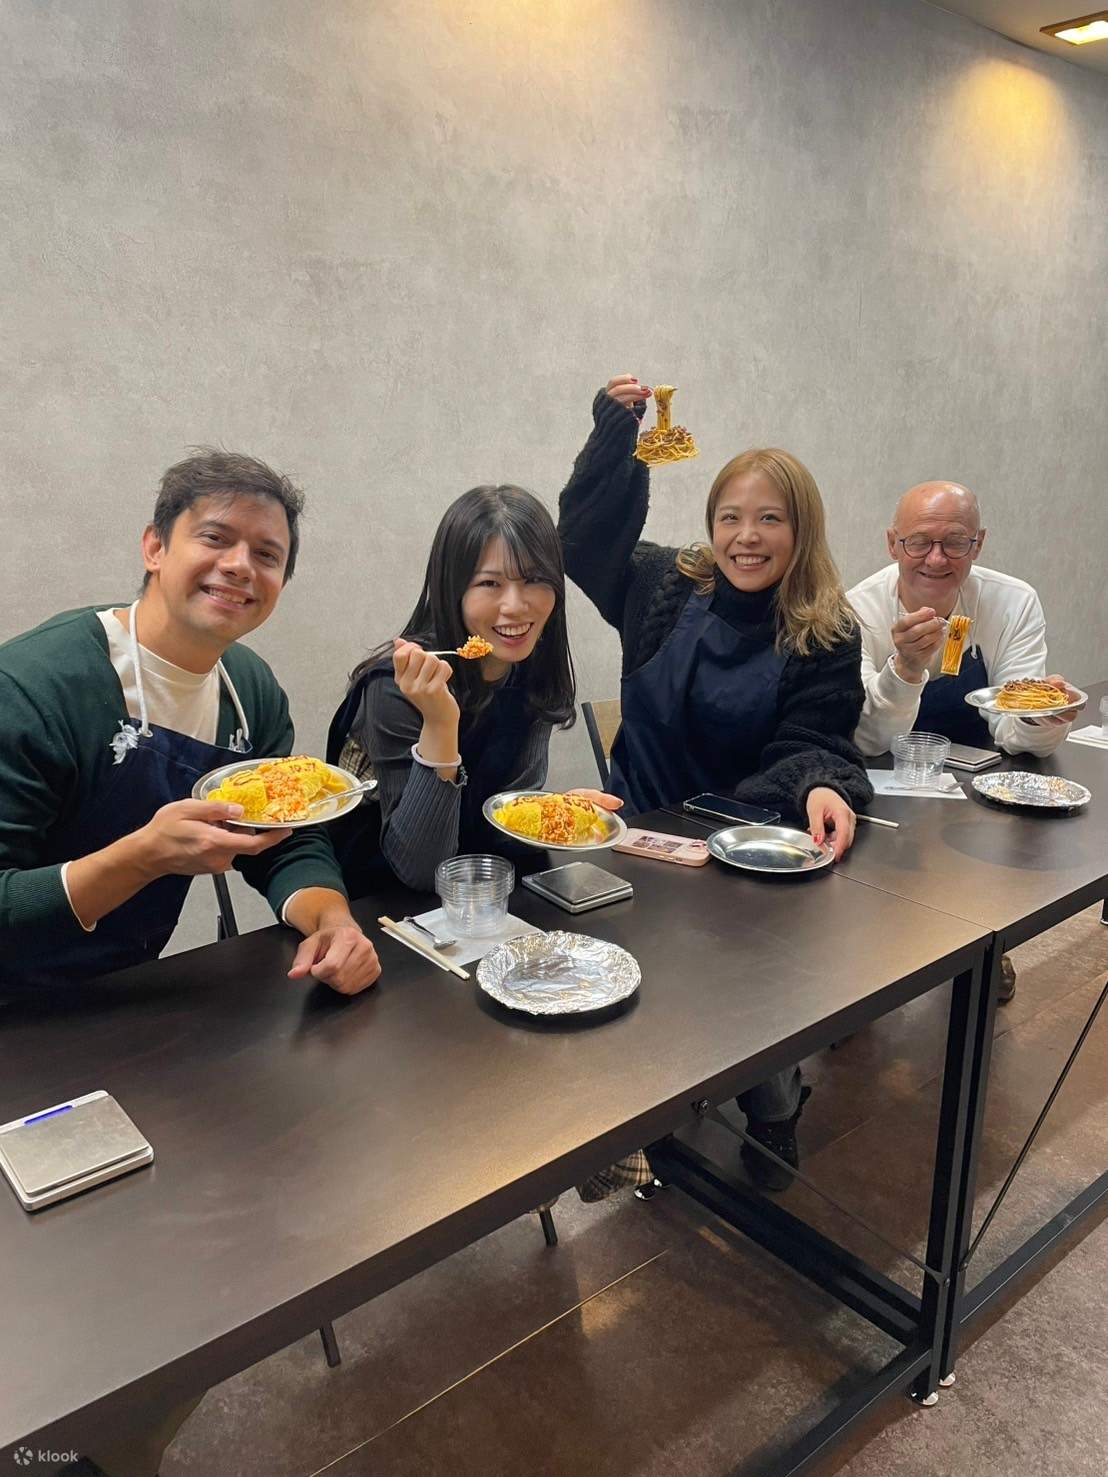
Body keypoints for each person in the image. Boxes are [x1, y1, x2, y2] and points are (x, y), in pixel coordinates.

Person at [0, 449, 381, 1477]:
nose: (240, 567)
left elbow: (290, 831)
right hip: (15, 1018)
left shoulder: (248, 691)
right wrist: (136, 858)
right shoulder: (40, 685)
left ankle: (102, 1447)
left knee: (211, 1245)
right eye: (216, 537)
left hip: (128, 1003)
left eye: (268, 553)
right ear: (155, 546)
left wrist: (325, 916)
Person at [557, 375, 873, 1190]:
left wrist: (819, 783)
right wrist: (614, 435)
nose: (747, 536)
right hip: (637, 834)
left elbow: (814, 738)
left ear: (801, 529)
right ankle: (637, 1123)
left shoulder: (827, 628)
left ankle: (774, 1108)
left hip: (743, 850)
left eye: (770, 517)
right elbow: (586, 545)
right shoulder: (668, 585)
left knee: (747, 1008)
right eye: (730, 516)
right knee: (626, 987)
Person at [848, 480, 1083, 1004]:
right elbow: (865, 737)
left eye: (955, 542)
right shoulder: (859, 610)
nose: (936, 559)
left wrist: (1046, 715)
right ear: (892, 544)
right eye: (918, 543)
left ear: (978, 544)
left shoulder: (1011, 601)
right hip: (888, 772)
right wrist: (906, 668)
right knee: (877, 882)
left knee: (996, 855)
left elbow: (1016, 732)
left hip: (982, 777)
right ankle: (869, 966)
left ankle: (985, 944)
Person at [327, 484, 620, 897]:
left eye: (535, 579)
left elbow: (503, 812)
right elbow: (420, 868)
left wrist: (553, 814)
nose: (516, 605)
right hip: (382, 914)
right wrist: (440, 724)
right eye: (490, 583)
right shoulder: (398, 686)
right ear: (454, 589)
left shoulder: (530, 668)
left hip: (486, 898)